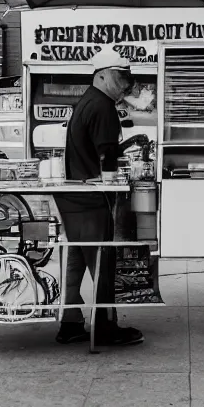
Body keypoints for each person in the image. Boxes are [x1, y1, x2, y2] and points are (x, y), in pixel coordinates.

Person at [54, 46, 144, 347]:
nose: (126, 85)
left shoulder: (88, 101)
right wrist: (115, 179)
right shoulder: (103, 105)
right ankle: (105, 327)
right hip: (93, 198)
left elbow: (101, 149)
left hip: (73, 195)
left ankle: (70, 323)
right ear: (103, 75)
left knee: (77, 259)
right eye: (121, 78)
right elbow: (106, 156)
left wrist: (128, 141)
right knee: (102, 261)